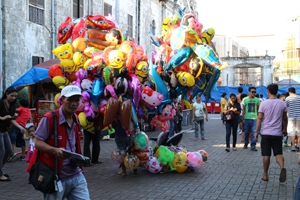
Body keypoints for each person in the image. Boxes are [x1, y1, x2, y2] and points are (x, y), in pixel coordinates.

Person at [28, 85, 90, 199]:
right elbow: (37, 142)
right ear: (61, 100)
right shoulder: (50, 118)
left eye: (77, 100)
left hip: (76, 174)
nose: (73, 103)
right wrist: (55, 150)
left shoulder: (76, 118)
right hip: (55, 176)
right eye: (69, 100)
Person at [255, 84, 287, 182]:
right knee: (278, 153)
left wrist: (256, 131)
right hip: (277, 133)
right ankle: (282, 167)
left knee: (266, 154)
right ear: (277, 91)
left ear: (268, 91)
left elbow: (260, 118)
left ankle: (265, 175)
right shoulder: (282, 104)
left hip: (265, 133)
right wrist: (285, 129)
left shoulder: (264, 103)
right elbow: (285, 118)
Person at [0, 87, 25, 181]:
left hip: (4, 130)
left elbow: (11, 119)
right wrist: (2, 118)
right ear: (6, 94)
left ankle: (1, 169)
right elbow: (5, 117)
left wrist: (20, 127)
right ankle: (0, 173)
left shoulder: (13, 105)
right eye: (12, 96)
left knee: (9, 150)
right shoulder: (1, 102)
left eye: (15, 96)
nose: (14, 98)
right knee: (1, 151)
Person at [242, 87, 260, 151]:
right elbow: (243, 109)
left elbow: (258, 109)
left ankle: (253, 145)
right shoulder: (245, 99)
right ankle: (246, 143)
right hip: (247, 118)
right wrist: (243, 118)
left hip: (255, 118)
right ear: (249, 92)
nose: (253, 93)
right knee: (246, 132)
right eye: (252, 92)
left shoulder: (257, 100)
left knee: (253, 132)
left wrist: (259, 118)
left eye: (255, 92)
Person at [285, 87, 300, 152]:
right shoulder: (299, 97)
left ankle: (293, 146)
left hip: (291, 117)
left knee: (292, 131)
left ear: (289, 92)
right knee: (299, 131)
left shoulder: (288, 98)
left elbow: (285, 107)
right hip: (299, 116)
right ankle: (298, 145)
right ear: (295, 92)